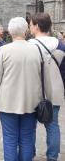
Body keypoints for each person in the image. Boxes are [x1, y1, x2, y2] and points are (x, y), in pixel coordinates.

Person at [0, 17, 52, 161]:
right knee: (27, 138)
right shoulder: (38, 51)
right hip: (32, 103)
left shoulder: (3, 51)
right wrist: (49, 100)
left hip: (7, 103)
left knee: (10, 138)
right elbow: (45, 79)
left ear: (10, 32)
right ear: (26, 31)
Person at [29, 13, 65, 161]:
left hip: (32, 92)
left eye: (30, 24)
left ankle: (30, 153)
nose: (29, 27)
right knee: (53, 126)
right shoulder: (61, 45)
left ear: (37, 26)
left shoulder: (29, 46)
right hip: (54, 91)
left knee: (29, 127)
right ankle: (52, 157)